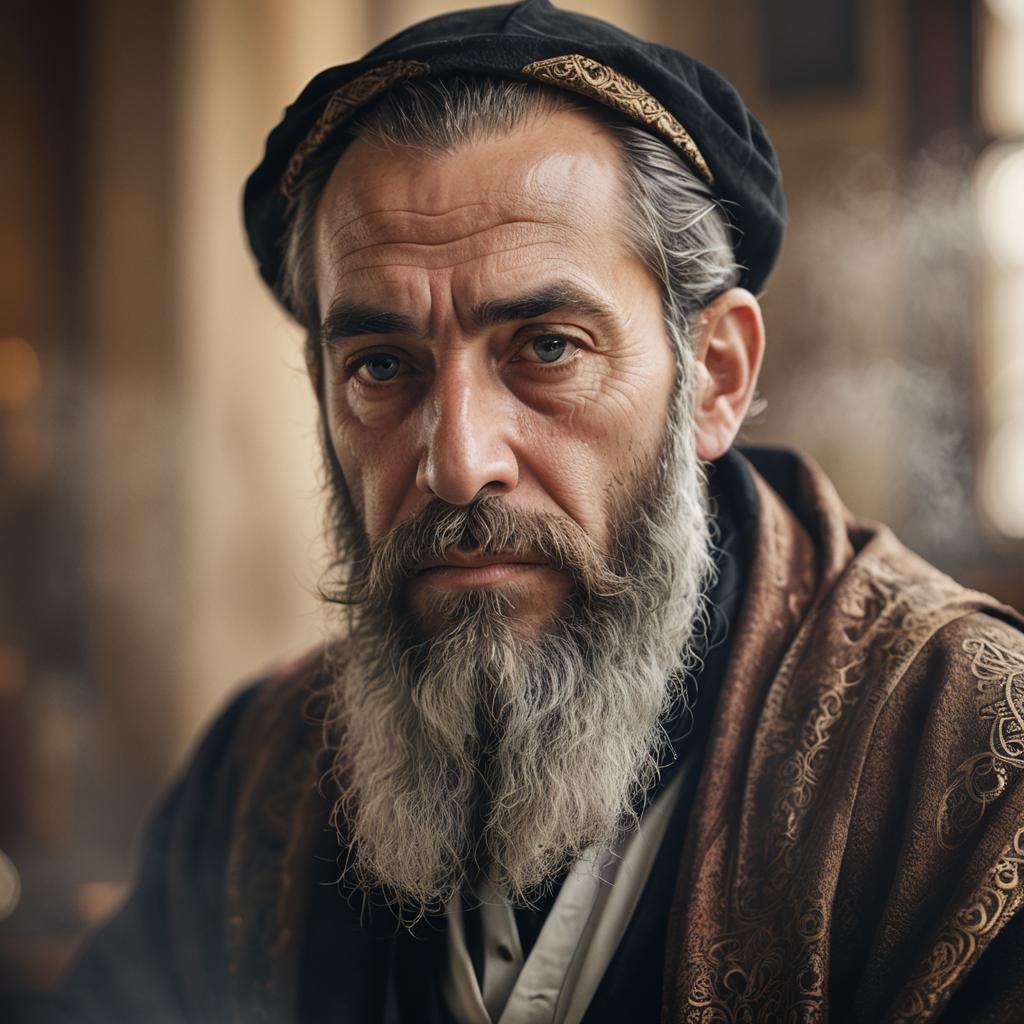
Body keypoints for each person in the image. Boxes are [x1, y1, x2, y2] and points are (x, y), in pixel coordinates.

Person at [16, 2, 1024, 1021]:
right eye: (379, 366)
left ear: (714, 376)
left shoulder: (975, 774)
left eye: (546, 347)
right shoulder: (257, 777)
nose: (457, 463)